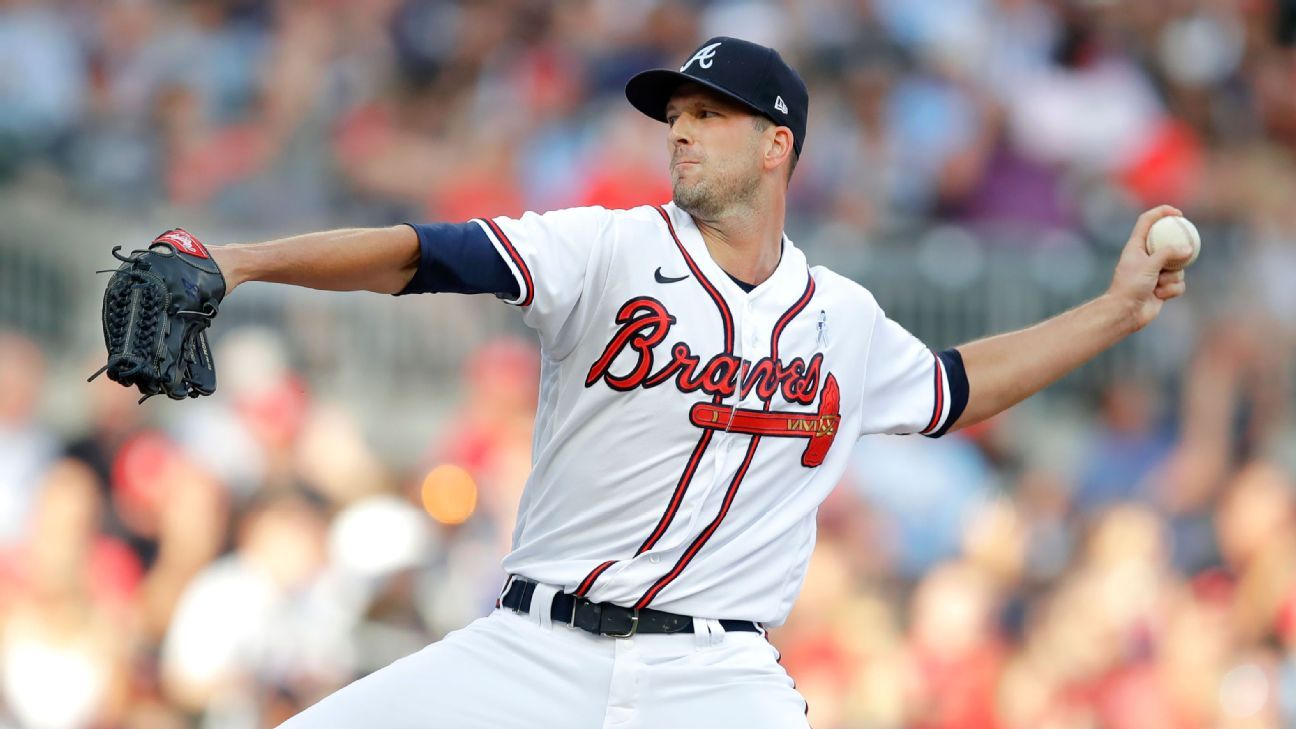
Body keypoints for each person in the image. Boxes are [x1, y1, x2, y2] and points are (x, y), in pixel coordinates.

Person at [172, 37, 1191, 729]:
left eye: (710, 114)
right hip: (533, 647)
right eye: (677, 114)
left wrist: (1116, 312)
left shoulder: (841, 317)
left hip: (715, 678)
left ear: (777, 144)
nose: (681, 131)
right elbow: (422, 252)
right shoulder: (606, 249)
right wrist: (245, 261)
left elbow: (954, 389)